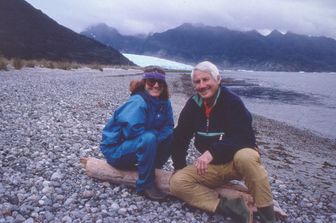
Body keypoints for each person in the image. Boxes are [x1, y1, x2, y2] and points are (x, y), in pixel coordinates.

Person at [170, 61, 276, 223]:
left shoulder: (232, 102)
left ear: (218, 79)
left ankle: (267, 215)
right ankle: (234, 208)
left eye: (206, 80)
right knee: (177, 183)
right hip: (213, 167)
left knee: (247, 157)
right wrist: (178, 166)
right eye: (197, 82)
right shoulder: (193, 105)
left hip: (237, 162)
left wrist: (212, 152)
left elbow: (245, 137)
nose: (202, 85)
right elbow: (180, 137)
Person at [100, 66, 174, 201]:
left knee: (171, 135)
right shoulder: (138, 101)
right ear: (144, 83)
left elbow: (169, 126)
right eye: (151, 81)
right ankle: (145, 185)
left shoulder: (165, 102)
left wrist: (157, 137)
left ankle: (153, 168)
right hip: (116, 150)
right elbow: (132, 132)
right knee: (149, 138)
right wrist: (155, 137)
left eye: (160, 82)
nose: (156, 85)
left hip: (137, 146)